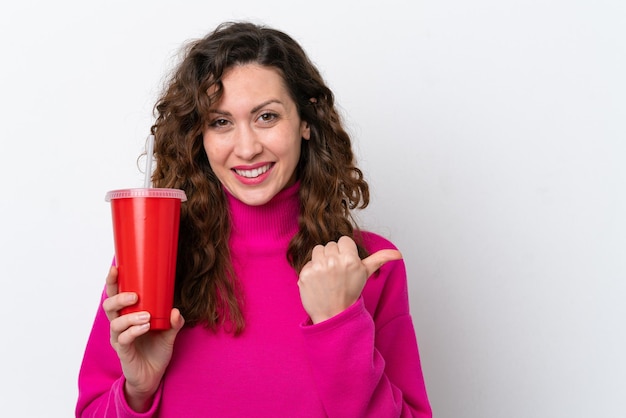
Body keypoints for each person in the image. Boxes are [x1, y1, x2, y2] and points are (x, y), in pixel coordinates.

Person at [76, 21, 432, 417]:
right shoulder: (154, 260)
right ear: (200, 137)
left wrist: (339, 325)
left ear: (306, 122)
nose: (246, 148)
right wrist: (137, 392)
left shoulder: (366, 266)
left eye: (266, 117)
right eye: (221, 122)